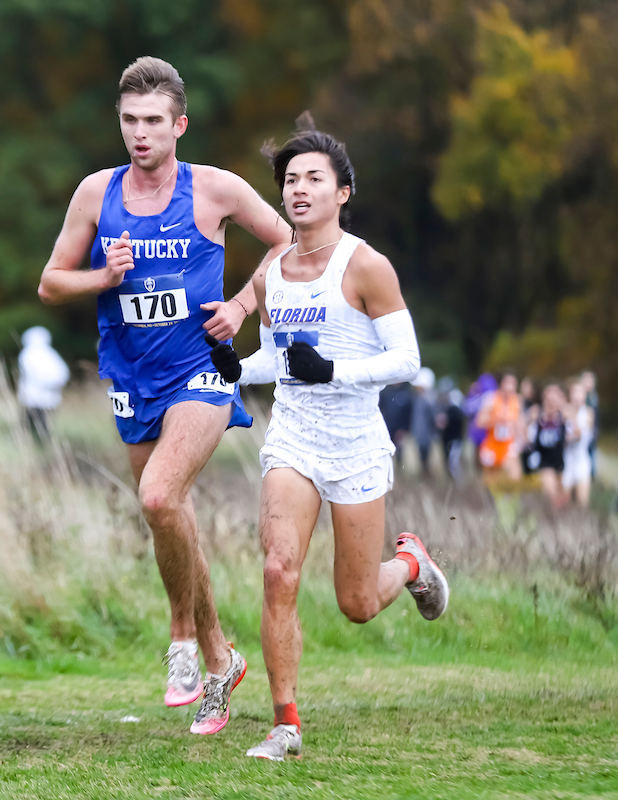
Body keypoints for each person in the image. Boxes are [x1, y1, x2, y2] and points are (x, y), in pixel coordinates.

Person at [37, 56, 294, 735]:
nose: (139, 134)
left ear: (179, 124)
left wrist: (241, 304)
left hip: (199, 372)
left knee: (157, 495)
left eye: (153, 121)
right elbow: (50, 282)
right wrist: (103, 276)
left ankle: (181, 636)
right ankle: (220, 657)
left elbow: (290, 244)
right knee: (166, 514)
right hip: (132, 377)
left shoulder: (215, 190)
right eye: (129, 121)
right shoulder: (97, 193)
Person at [221, 121, 448, 761]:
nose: (299, 189)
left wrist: (337, 371)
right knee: (277, 569)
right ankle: (284, 724)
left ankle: (410, 564)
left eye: (314, 178)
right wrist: (239, 369)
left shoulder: (367, 265)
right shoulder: (272, 272)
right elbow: (277, 360)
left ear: (342, 192)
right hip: (293, 435)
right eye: (290, 180)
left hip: (354, 444)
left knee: (355, 603)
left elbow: (407, 359)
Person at [17, 327, 71, 443]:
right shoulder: (49, 354)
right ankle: (37, 444)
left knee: (35, 425)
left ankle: (36, 444)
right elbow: (63, 374)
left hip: (34, 397)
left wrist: (47, 384)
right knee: (37, 425)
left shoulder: (27, 354)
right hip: (44, 398)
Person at [526, 384, 568, 508]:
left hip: (561, 462)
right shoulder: (537, 415)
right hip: (544, 462)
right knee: (551, 495)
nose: (552, 402)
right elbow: (525, 436)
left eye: (555, 398)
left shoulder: (563, 417)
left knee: (563, 498)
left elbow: (576, 434)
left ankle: (561, 522)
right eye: (549, 398)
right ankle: (551, 521)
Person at [475, 372, 523, 481]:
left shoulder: (517, 401)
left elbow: (519, 424)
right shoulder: (491, 399)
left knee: (515, 477)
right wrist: (496, 420)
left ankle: (513, 497)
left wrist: (520, 441)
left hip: (508, 445)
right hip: (492, 445)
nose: (510, 386)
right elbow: (479, 423)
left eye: (513, 383)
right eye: (508, 382)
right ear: (501, 383)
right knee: (493, 483)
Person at [563, 381, 594, 507]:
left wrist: (573, 416)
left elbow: (579, 434)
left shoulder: (588, 413)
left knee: (582, 503)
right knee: (565, 505)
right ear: (569, 395)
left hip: (582, 462)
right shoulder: (563, 413)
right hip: (566, 462)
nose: (577, 396)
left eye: (580, 392)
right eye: (574, 392)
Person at [435, 377, 466, 483]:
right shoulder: (444, 406)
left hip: (454, 439)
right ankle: (453, 482)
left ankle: (457, 482)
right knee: (450, 462)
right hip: (450, 439)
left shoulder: (454, 408)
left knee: (454, 463)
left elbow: (456, 421)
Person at [410, 367, 438, 477]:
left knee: (425, 457)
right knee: (421, 457)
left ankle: (426, 476)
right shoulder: (419, 398)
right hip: (420, 434)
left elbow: (432, 419)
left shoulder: (428, 399)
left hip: (426, 435)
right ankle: (424, 475)